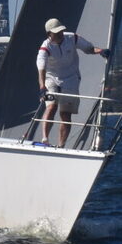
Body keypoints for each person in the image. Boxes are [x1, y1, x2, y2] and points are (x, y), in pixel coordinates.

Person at [34, 18, 106, 148]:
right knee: (52, 106)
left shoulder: (72, 38)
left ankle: (61, 145)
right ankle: (45, 138)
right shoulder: (45, 48)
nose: (60, 34)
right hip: (52, 79)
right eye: (56, 33)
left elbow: (89, 49)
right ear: (49, 34)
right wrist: (42, 87)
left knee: (66, 114)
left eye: (61, 31)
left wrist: (101, 51)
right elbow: (41, 69)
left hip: (71, 79)